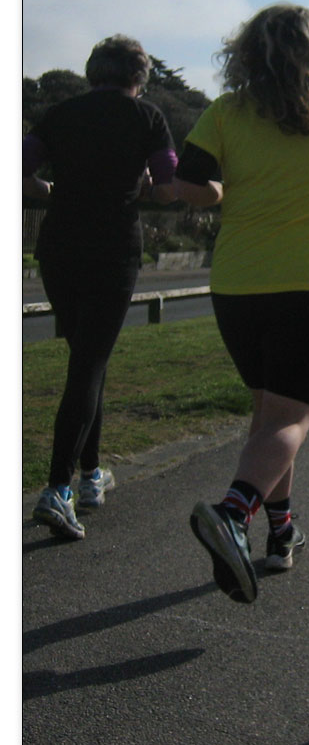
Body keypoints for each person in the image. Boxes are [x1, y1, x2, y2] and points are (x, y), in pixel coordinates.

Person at [174, 4, 309, 603]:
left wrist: (223, 187)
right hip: (306, 281)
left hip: (236, 284)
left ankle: (282, 536)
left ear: (247, 51)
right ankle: (233, 513)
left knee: (269, 416)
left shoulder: (226, 112)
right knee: (292, 418)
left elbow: (193, 181)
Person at [23, 35, 177, 540]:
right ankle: (57, 488)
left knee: (88, 360)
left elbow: (19, 167)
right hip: (113, 250)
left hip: (60, 248)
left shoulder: (62, 113)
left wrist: (49, 189)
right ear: (139, 76)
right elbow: (167, 178)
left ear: (94, 70)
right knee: (88, 362)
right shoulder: (147, 118)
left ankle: (91, 477)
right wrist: (146, 186)